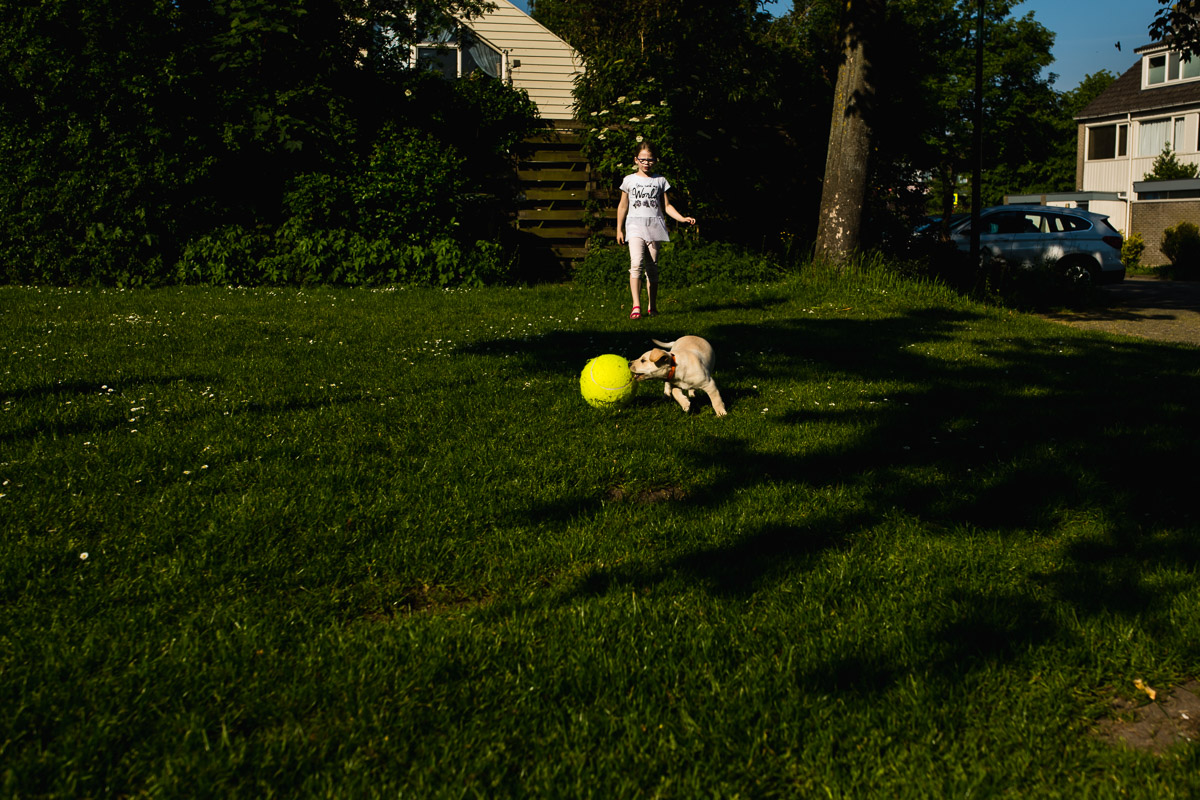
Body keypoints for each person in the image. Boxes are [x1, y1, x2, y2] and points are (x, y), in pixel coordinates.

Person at [615, 141, 695, 319]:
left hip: (655, 226)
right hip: (634, 226)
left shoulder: (660, 181)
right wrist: (619, 229)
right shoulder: (628, 180)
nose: (646, 163)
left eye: (650, 160)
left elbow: (666, 206)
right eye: (643, 159)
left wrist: (682, 218)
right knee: (636, 263)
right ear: (636, 160)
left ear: (655, 161)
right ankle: (636, 305)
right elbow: (622, 206)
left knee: (652, 268)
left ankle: (652, 306)